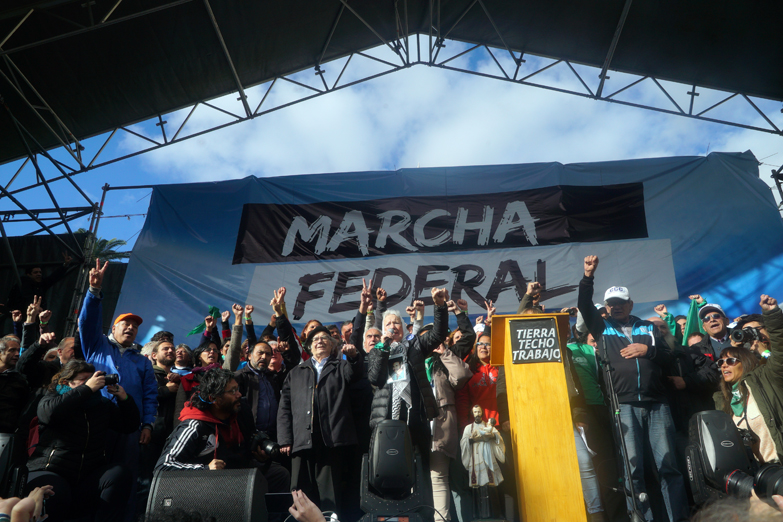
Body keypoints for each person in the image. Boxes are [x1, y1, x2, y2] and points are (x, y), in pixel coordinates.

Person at [578, 255, 687, 522]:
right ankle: (642, 518)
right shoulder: (601, 327)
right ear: (606, 307)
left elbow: (667, 357)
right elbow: (583, 303)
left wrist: (646, 349)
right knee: (632, 468)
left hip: (657, 402)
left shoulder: (648, 327)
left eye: (620, 303)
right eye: (611, 304)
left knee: (668, 465)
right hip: (623, 405)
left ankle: (677, 518)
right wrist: (588, 276)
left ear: (630, 304)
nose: (616, 307)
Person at [79, 259, 157, 521]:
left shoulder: (143, 360)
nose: (131, 327)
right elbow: (88, 322)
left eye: (135, 325)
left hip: (129, 427)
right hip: (96, 422)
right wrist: (94, 291)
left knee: (126, 476)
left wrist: (147, 425)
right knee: (93, 472)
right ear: (113, 328)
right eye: (125, 323)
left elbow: (149, 395)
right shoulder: (97, 346)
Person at [25, 360, 140, 522]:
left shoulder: (101, 404)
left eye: (91, 378)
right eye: (83, 379)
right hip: (51, 471)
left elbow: (129, 426)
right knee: (57, 491)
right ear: (67, 382)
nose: (90, 382)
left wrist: (124, 399)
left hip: (86, 475)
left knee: (119, 474)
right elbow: (48, 414)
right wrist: (86, 389)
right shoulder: (53, 396)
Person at [155, 368, 290, 492]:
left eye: (237, 389)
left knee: (279, 475)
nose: (239, 394)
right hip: (208, 485)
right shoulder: (194, 425)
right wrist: (205, 469)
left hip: (240, 474)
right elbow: (163, 467)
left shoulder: (241, 410)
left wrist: (259, 454)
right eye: (232, 391)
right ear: (213, 399)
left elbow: (248, 446)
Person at [277, 325, 364, 517]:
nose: (320, 341)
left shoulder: (341, 366)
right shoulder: (296, 372)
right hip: (301, 442)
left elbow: (356, 372)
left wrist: (353, 357)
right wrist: (285, 438)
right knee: (300, 493)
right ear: (309, 347)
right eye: (315, 339)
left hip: (331, 442)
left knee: (330, 495)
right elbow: (284, 407)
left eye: (325, 338)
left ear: (333, 345)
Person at [714, 294, 783, 463]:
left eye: (754, 331)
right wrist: (737, 352)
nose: (751, 337)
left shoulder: (766, 371)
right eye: (721, 362)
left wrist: (772, 315)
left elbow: (779, 353)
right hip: (763, 471)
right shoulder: (731, 391)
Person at [428, 299, 474, 522]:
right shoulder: (415, 359)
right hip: (417, 424)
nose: (432, 343)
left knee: (440, 477)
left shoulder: (445, 358)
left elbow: (462, 376)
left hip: (442, 424)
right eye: (428, 339)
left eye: (436, 338)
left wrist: (459, 312)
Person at [234, 287, 300, 438]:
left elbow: (293, 360)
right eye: (260, 353)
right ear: (249, 356)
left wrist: (279, 314)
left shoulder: (274, 378)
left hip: (275, 437)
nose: (264, 356)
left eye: (268, 354)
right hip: (246, 438)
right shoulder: (239, 378)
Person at [460, 405, 505, 520]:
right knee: (477, 486)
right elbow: (464, 442)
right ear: (472, 413)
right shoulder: (468, 428)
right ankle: (478, 514)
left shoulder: (488, 425)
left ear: (482, 413)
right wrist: (471, 439)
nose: (477, 414)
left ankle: (495, 514)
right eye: (475, 412)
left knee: (491, 484)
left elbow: (498, 437)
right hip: (476, 459)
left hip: (487, 459)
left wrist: (492, 436)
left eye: (479, 412)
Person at [5, 251, 73, 314]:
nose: (39, 274)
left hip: (37, 315)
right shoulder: (24, 284)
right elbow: (25, 297)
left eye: (40, 272)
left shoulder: (41, 284)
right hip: (24, 314)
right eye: (35, 272)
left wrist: (65, 265)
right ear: (29, 274)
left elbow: (53, 277)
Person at [0, 335, 27, 435]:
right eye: (12, 350)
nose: (17, 354)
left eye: (18, 351)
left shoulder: (19, 380)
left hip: (5, 432)